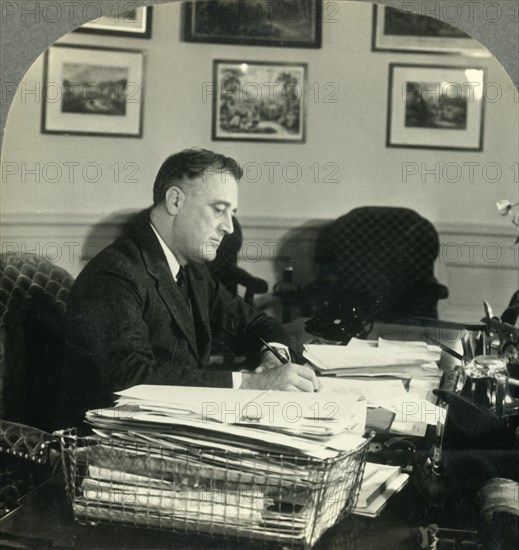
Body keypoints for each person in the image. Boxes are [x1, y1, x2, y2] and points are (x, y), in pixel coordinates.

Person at [61, 148, 319, 426]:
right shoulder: (115, 274)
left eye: (232, 213)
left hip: (168, 427)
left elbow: (254, 323)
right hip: (111, 439)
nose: (229, 227)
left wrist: (272, 357)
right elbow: (131, 379)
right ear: (175, 201)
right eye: (219, 209)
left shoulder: (191, 268)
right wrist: (249, 383)